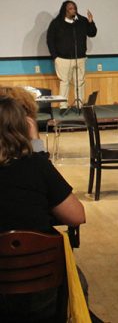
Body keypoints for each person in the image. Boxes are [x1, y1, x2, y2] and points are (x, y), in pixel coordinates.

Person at [0, 96, 86, 319]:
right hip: (40, 284)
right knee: (80, 284)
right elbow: (76, 216)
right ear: (23, 128)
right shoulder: (36, 165)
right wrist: (36, 145)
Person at [47, 0, 97, 112]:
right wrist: (55, 57)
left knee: (80, 82)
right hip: (63, 59)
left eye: (74, 7)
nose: (73, 9)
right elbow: (50, 40)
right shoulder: (56, 23)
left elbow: (92, 33)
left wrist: (90, 22)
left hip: (80, 58)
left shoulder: (82, 21)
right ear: (64, 9)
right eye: (70, 8)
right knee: (64, 82)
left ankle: (79, 105)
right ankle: (63, 106)